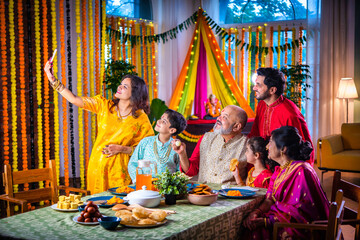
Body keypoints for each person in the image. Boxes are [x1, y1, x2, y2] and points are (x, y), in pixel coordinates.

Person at [44, 61, 154, 194]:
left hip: (121, 172)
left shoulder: (140, 119)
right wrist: (53, 80)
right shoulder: (104, 106)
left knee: (119, 206)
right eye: (121, 83)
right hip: (97, 167)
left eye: (125, 86)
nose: (119, 87)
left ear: (135, 93)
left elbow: (148, 150)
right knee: (97, 207)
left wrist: (122, 149)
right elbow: (74, 99)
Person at [243, 126, 329, 239]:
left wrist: (266, 222)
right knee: (247, 224)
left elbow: (300, 213)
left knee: (255, 232)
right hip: (280, 219)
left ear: (283, 149)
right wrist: (256, 212)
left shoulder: (302, 171)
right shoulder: (279, 171)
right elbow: (269, 200)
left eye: (271, 142)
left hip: (301, 228)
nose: (267, 146)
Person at [248, 67, 315, 165]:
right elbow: (255, 133)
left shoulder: (289, 114)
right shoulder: (262, 104)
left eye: (258, 85)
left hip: (284, 164)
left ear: (272, 90)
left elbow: (297, 151)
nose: (254, 88)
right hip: (264, 159)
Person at [173, 105, 248, 185]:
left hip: (232, 195)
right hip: (204, 193)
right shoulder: (206, 138)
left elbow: (252, 178)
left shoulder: (247, 145)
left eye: (224, 117)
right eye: (220, 115)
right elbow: (191, 171)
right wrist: (182, 154)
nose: (218, 119)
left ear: (236, 126)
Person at [128, 109, 187, 183]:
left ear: (172, 130)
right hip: (145, 186)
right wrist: (140, 181)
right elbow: (132, 164)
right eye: (160, 119)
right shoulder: (146, 142)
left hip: (166, 188)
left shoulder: (176, 148)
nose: (159, 121)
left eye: (164, 121)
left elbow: (180, 172)